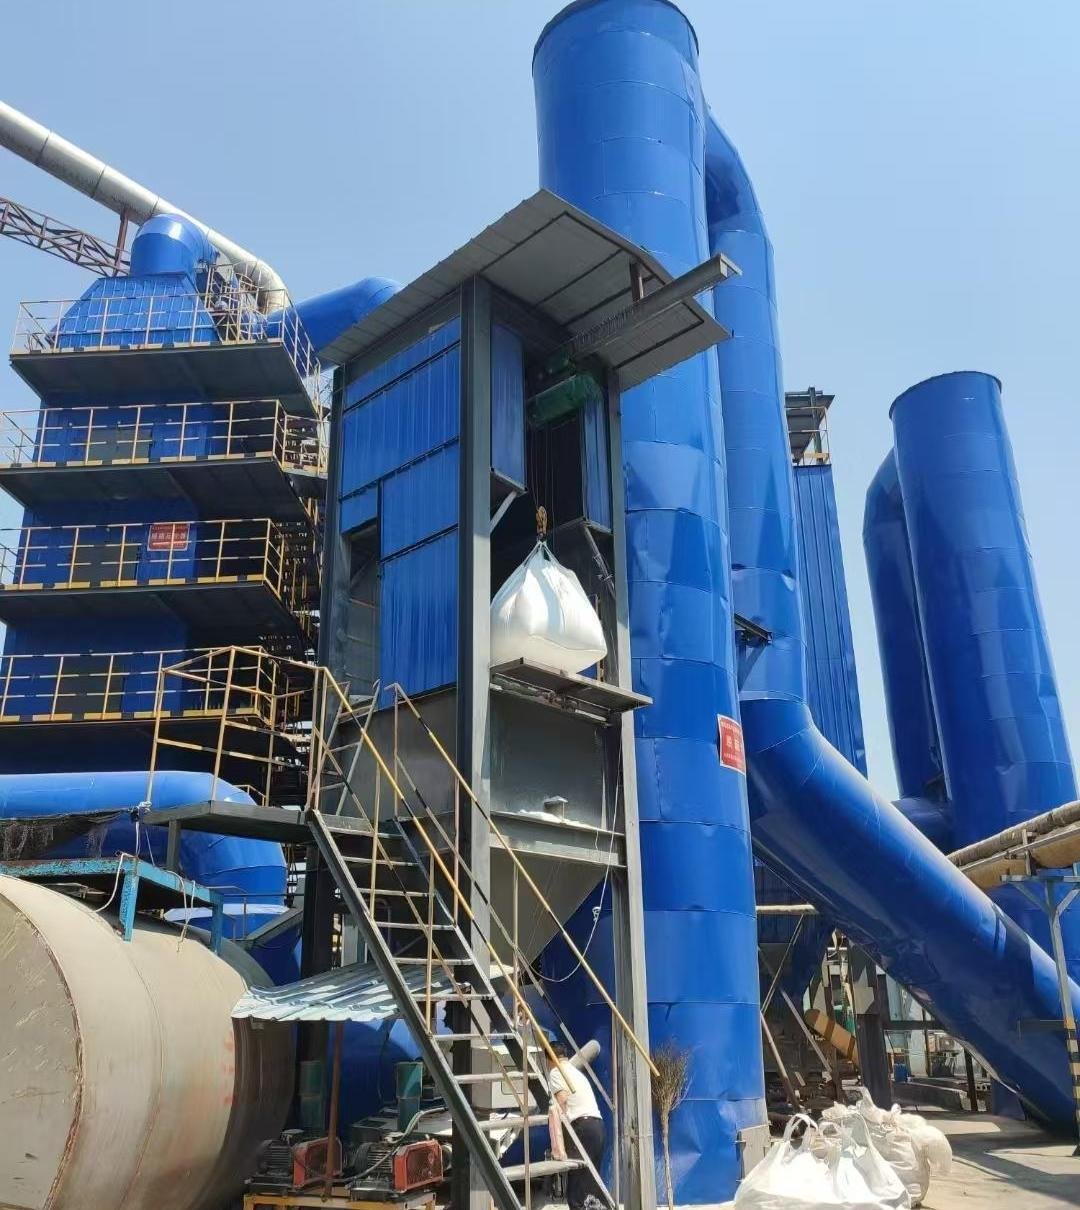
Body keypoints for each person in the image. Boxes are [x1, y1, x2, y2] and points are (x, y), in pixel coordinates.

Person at [545, 1041, 606, 1210]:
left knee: (576, 1194)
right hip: (598, 1127)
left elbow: (562, 1100)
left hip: (583, 1128)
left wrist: (558, 1139)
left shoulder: (556, 1071)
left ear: (549, 1059)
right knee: (590, 1190)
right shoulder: (576, 1072)